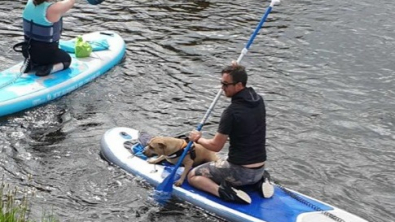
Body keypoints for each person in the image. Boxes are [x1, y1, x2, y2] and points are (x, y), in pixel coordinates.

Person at [188, 64, 274, 204]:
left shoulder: (232, 112)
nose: (222, 88)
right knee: (226, 158)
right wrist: (238, 69)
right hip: (259, 169)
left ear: (239, 85)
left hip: (240, 173)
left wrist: (197, 138)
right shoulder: (259, 100)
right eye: (221, 83)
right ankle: (260, 181)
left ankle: (225, 193)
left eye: (226, 84)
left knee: (193, 176)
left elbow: (215, 146)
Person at [20, 0, 75, 76]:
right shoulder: (53, 9)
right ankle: (49, 68)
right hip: (46, 55)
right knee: (67, 60)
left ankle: (30, 64)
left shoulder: (29, 3)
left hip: (27, 51)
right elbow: (70, 2)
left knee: (36, 49)